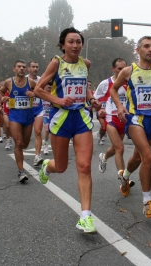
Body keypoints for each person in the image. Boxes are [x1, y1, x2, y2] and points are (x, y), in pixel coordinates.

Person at [34, 27, 101, 233]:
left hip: (81, 118)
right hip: (61, 119)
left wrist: (91, 99)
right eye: (71, 42)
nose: (75, 45)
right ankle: (47, 166)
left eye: (78, 42)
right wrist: (59, 100)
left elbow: (85, 86)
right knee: (61, 167)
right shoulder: (57, 62)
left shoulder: (85, 64)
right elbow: (38, 90)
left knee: (84, 166)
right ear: (63, 45)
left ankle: (85, 217)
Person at [110, 36, 151, 218]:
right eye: (146, 46)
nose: (150, 49)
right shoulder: (129, 71)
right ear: (138, 50)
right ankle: (147, 202)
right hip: (135, 118)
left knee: (138, 157)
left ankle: (125, 176)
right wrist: (120, 106)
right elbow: (114, 89)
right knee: (149, 157)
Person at [95, 58, 135, 188]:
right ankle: (123, 178)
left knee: (114, 148)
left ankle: (104, 157)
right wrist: (99, 108)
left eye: (124, 68)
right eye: (119, 68)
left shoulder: (130, 83)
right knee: (120, 148)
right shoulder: (106, 83)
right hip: (111, 119)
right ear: (113, 69)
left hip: (124, 119)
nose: (122, 71)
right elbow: (94, 99)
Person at [0, 59, 36, 182]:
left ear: (26, 69)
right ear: (14, 69)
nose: (21, 68)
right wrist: (3, 98)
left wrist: (33, 94)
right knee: (18, 143)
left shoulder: (30, 81)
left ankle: (21, 165)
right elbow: (0, 91)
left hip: (28, 115)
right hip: (14, 115)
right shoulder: (9, 82)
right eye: (19, 66)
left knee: (25, 144)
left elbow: (39, 92)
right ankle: (21, 171)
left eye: (23, 67)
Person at [26, 61, 44, 167]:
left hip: (38, 109)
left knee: (38, 132)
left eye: (37, 67)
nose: (35, 68)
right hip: (26, 110)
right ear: (28, 68)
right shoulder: (24, 80)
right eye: (33, 67)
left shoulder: (42, 80)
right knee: (25, 139)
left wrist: (36, 94)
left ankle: (37, 156)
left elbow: (46, 94)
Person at [41, 82, 53, 155]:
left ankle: (45, 141)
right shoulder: (42, 94)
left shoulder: (54, 94)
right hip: (45, 115)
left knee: (53, 131)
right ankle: (45, 145)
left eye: (50, 87)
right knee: (46, 129)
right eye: (48, 87)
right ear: (45, 87)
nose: (49, 88)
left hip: (53, 114)